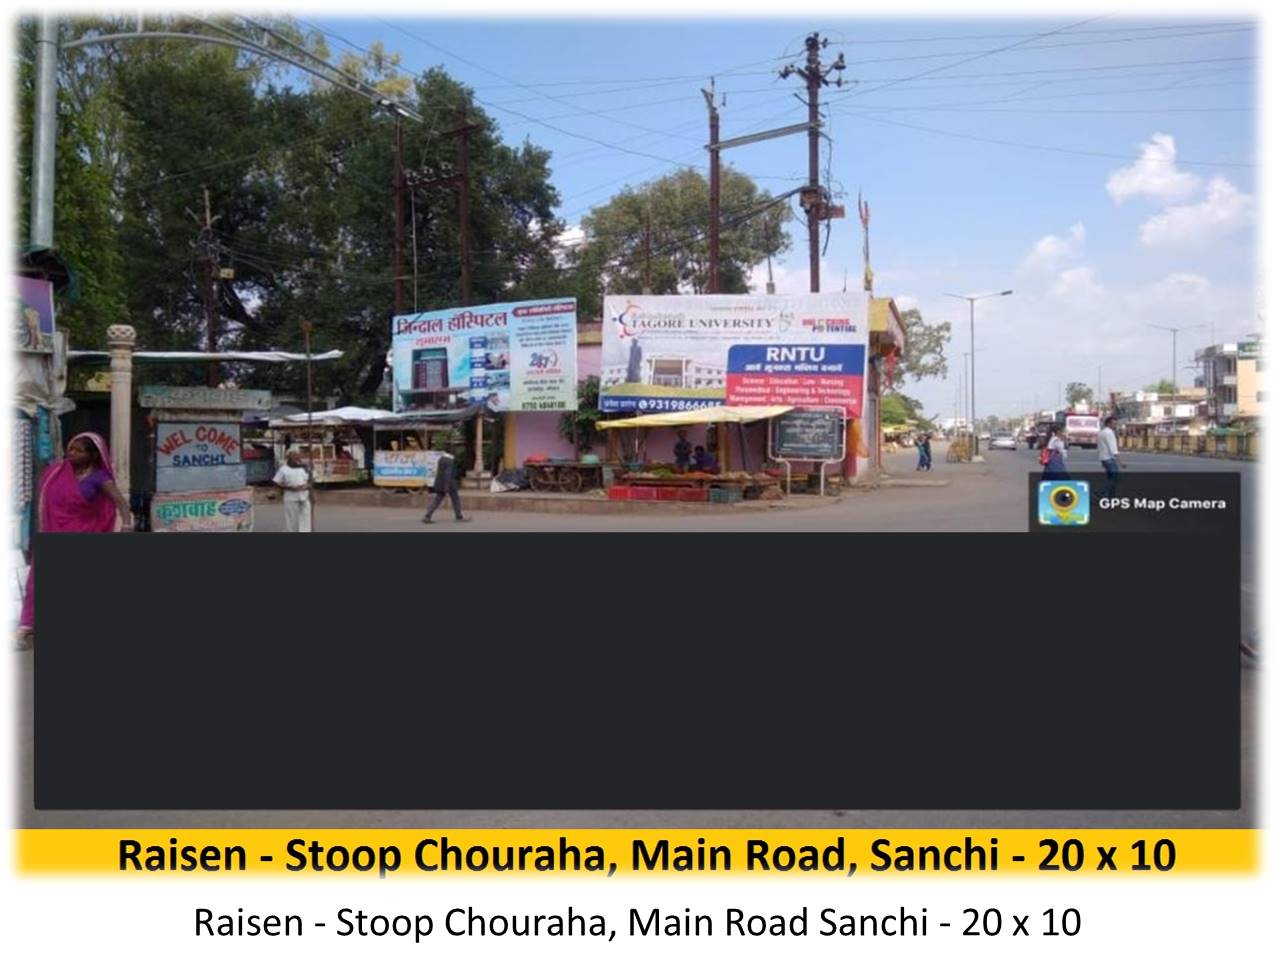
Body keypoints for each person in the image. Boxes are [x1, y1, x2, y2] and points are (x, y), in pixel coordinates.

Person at [17, 432, 132, 647]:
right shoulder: (56, 473)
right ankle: (26, 628)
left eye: (79, 451)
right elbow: (45, 503)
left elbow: (120, 503)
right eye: (71, 448)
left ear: (93, 456)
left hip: (85, 532)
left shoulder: (99, 477)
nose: (72, 453)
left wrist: (126, 525)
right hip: (54, 531)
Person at [422, 450, 468, 523]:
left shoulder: (441, 459)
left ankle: (428, 515)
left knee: (437, 499)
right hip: (449, 483)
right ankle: (459, 516)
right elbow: (448, 474)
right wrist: (446, 487)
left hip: (440, 482)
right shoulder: (449, 461)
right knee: (455, 499)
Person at [273, 449, 313, 532]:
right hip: (290, 497)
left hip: (304, 496)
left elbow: (312, 480)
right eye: (294, 455)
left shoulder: (304, 468)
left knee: (305, 518)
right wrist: (289, 487)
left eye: (297, 455)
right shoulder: (283, 469)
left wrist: (308, 485)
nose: (296, 457)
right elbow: (276, 482)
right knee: (291, 520)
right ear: (288, 457)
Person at [1097, 415, 1124, 498]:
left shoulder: (1101, 432)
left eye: (1116, 424)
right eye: (1113, 424)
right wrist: (1121, 461)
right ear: (1108, 424)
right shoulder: (1109, 433)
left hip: (1103, 458)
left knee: (1111, 478)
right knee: (1114, 478)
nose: (1115, 425)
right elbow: (1113, 449)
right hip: (1109, 459)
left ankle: (1111, 497)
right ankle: (1100, 493)